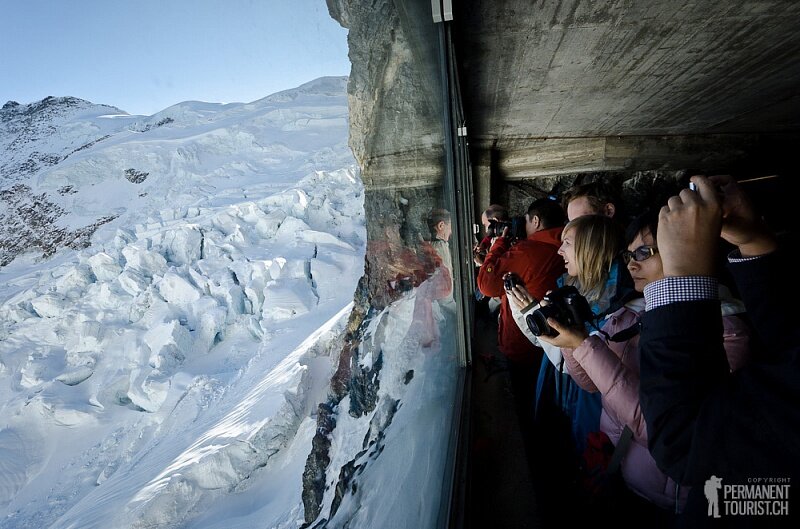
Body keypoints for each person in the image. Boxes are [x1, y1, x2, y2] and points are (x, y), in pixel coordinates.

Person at [509, 209, 750, 515]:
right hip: (619, 467)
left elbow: (660, 426)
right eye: (629, 254)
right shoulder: (634, 309)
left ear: (692, 250)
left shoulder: (725, 332)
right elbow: (589, 383)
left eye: (645, 252)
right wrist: (572, 339)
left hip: (672, 499)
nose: (632, 263)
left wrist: (582, 344)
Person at [638, 175, 799, 525]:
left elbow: (687, 442)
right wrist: (755, 241)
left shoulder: (728, 330)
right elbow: (790, 346)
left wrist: (683, 277)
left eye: (646, 251)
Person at [476, 198, 566, 450]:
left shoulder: (528, 250)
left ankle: (531, 447)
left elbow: (486, 285)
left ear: (536, 221)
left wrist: (500, 244)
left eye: (526, 220)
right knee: (544, 398)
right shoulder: (564, 245)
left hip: (524, 343)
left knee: (524, 404)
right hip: (553, 341)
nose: (523, 225)